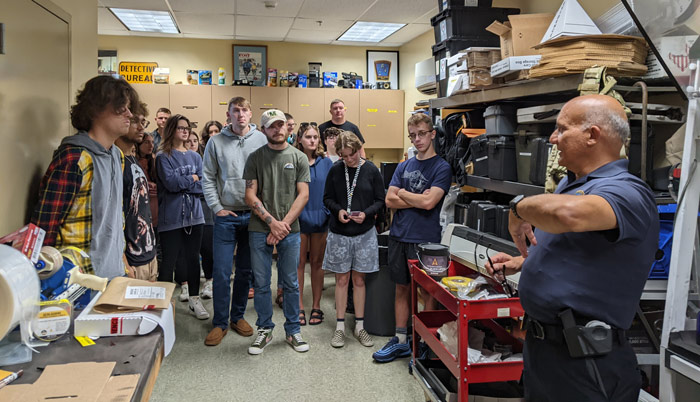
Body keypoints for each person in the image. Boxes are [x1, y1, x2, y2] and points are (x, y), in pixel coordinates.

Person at [485, 95, 659, 401]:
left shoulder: (628, 191)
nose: (553, 139)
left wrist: (518, 208)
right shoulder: (574, 184)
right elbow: (579, 251)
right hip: (547, 352)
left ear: (592, 135)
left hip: (586, 361)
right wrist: (522, 262)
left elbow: (568, 215)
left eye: (562, 130)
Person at [32, 75, 138, 279]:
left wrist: (123, 262)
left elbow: (115, 218)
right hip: (78, 281)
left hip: (114, 275)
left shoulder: (117, 156)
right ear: (96, 109)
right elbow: (45, 228)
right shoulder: (74, 158)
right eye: (121, 107)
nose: (130, 114)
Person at [373, 112, 451, 363]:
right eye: (412, 136)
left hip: (426, 240)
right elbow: (388, 199)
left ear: (432, 134)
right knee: (401, 288)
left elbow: (430, 203)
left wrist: (403, 195)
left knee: (429, 292)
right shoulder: (404, 166)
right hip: (399, 236)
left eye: (421, 135)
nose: (417, 140)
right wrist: (414, 197)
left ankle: (427, 342)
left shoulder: (442, 167)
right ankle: (402, 340)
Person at [243, 109, 310, 355]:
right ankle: (265, 330)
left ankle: (293, 331)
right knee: (261, 283)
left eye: (281, 125)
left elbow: (303, 195)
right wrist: (272, 223)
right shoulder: (255, 158)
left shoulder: (299, 157)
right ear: (263, 130)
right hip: (260, 229)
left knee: (291, 282)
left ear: (287, 128)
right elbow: (250, 194)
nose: (278, 129)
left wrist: (283, 226)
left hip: (290, 231)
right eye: (272, 126)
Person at [202, 97, 267, 346]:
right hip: (226, 215)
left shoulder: (261, 140)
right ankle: (219, 322)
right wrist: (216, 208)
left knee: (245, 271)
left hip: (252, 215)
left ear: (251, 114)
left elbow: (267, 174)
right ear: (228, 114)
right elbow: (207, 177)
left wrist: (263, 211)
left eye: (244, 111)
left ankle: (237, 316)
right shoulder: (215, 142)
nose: (240, 115)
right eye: (235, 111)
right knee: (220, 272)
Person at [323, 132, 384, 348]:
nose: (348, 160)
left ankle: (359, 326)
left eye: (351, 155)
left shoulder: (371, 170)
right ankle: (340, 327)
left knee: (359, 281)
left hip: (364, 233)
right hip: (340, 233)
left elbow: (380, 200)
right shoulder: (335, 170)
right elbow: (327, 198)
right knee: (341, 280)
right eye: (343, 156)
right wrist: (339, 210)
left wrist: (366, 213)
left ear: (358, 149)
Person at [155, 114, 208, 320]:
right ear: (171, 130)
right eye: (180, 128)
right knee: (169, 262)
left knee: (193, 259)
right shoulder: (163, 156)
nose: (185, 131)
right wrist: (192, 178)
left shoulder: (195, 157)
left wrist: (188, 181)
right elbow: (171, 184)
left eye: (187, 128)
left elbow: (203, 185)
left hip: (195, 216)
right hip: (172, 218)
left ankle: (195, 300)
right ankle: (162, 304)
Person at [115, 102, 158, 281]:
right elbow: (114, 216)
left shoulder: (132, 160)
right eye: (135, 121)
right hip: (130, 260)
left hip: (148, 253)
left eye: (143, 122)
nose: (141, 127)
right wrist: (123, 260)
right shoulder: (115, 162)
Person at [295, 123, 333, 326]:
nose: (312, 140)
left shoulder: (326, 163)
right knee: (299, 263)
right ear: (300, 138)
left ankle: (316, 306)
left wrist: (327, 214)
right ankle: (299, 306)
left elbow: (331, 192)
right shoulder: (293, 161)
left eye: (315, 137)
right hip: (299, 220)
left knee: (317, 264)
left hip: (320, 220)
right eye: (308, 137)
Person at [137, 133, 159, 228]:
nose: (151, 145)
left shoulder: (153, 161)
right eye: (146, 142)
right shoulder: (134, 162)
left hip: (155, 207)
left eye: (152, 142)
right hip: (142, 206)